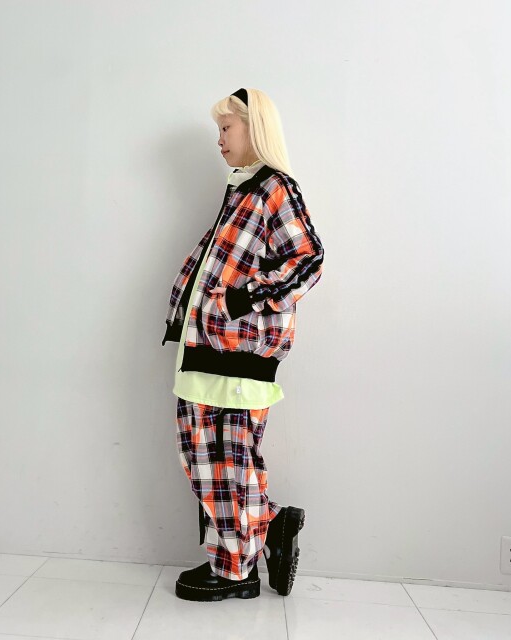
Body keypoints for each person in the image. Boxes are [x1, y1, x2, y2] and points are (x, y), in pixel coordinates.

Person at [162, 87, 324, 602]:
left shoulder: (274, 187)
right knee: (203, 455)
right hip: (209, 348)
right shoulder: (241, 190)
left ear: (255, 129)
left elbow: (308, 258)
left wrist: (241, 299)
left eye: (226, 128)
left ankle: (236, 569)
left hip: (239, 351)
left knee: (229, 459)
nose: (219, 139)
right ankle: (267, 526)